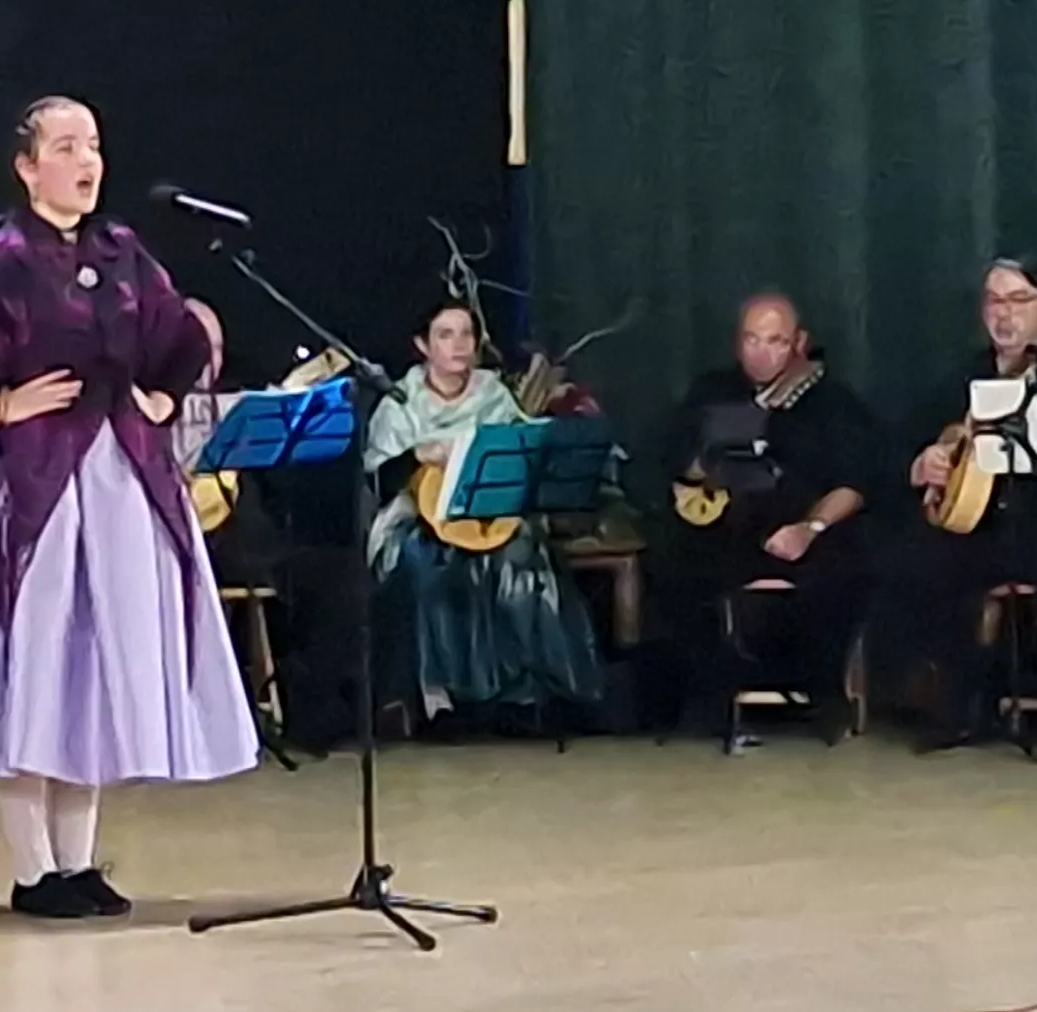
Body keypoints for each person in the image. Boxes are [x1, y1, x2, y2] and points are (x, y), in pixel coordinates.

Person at [0, 96, 258, 921]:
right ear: (27, 166)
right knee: (36, 665)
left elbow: (182, 332)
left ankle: (79, 862)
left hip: (114, 484)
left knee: (91, 669)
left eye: (92, 144)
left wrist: (161, 394)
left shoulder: (123, 253)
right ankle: (33, 869)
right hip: (31, 489)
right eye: (65, 146)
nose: (86, 161)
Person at [871, 258, 1037, 749]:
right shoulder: (967, 375)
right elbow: (900, 443)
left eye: (1018, 300)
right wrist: (921, 464)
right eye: (994, 301)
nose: (1003, 314)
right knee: (920, 557)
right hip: (988, 528)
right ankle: (956, 705)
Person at [635, 293, 880, 736]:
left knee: (847, 566)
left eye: (774, 341)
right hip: (726, 528)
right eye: (751, 339)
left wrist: (809, 528)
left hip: (804, 530)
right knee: (668, 561)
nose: (760, 352)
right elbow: (673, 460)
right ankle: (707, 695)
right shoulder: (712, 391)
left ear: (798, 342)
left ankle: (823, 693)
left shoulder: (832, 402)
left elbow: (856, 483)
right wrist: (707, 457)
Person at [361, 301, 602, 728]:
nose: (458, 345)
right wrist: (419, 455)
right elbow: (378, 480)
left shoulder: (493, 395)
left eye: (466, 334)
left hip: (489, 515)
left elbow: (522, 452)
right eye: (445, 335)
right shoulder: (400, 403)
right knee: (426, 562)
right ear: (423, 345)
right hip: (418, 519)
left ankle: (528, 696)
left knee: (523, 556)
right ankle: (441, 701)